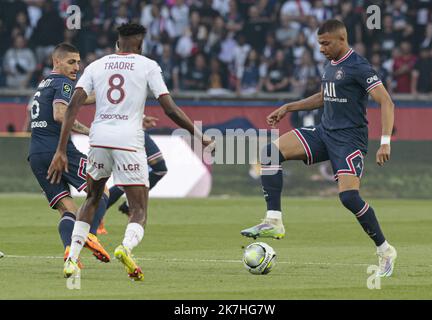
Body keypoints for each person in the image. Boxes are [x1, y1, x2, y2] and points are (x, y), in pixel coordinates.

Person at [47, 23, 213, 281]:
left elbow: (72, 107)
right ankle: (125, 247)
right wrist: (199, 135)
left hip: (98, 138)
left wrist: (61, 149)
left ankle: (72, 259)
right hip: (129, 140)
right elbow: (170, 109)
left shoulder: (96, 65)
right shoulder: (148, 66)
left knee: (91, 198)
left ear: (118, 42)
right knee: (139, 209)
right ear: (140, 44)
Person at [240, 19, 397, 277]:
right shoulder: (330, 65)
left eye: (326, 43)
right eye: (319, 44)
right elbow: (325, 96)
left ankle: (385, 249)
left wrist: (385, 142)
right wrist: (289, 107)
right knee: (270, 151)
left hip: (349, 140)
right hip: (324, 133)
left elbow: (386, 102)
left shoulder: (359, 66)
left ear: (341, 40)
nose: (321, 48)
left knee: (349, 198)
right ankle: (274, 220)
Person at [27, 43, 111, 267]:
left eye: (78, 62)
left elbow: (76, 99)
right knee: (101, 190)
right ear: (57, 61)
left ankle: (69, 254)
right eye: (71, 62)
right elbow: (60, 113)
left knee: (69, 210)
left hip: (36, 154)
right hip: (59, 151)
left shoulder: (45, 83)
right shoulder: (64, 83)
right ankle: (90, 234)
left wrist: (102, 95)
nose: (77, 67)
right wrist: (88, 130)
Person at [106, 115, 168, 216]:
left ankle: (97, 210)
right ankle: (127, 205)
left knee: (127, 179)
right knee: (159, 169)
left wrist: (142, 118)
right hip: (131, 132)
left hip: (122, 131)